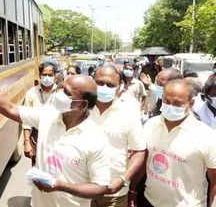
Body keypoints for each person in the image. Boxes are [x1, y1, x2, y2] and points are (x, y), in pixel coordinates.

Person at [0, 66, 111, 207]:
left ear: (82, 104)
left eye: (66, 92)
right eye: (61, 87)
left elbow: (100, 187)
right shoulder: (48, 114)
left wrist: (60, 186)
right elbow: (11, 109)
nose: (59, 93)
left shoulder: (95, 139)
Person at [139, 79, 216, 207]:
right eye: (167, 101)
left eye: (177, 103)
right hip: (149, 201)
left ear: (190, 104)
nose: (170, 106)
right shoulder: (150, 125)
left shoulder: (206, 135)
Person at [90, 66, 146, 207]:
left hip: (113, 193)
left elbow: (139, 151)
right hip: (80, 188)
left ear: (119, 87)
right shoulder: (81, 109)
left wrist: (123, 179)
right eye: (100, 83)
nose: (104, 87)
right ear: (92, 82)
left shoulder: (128, 113)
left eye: (110, 85)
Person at [23, 62, 57, 165]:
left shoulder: (61, 93)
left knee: (55, 169)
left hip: (56, 135)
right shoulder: (31, 94)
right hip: (37, 136)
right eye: (44, 74)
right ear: (39, 75)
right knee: (37, 168)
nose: (47, 77)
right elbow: (26, 121)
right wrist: (27, 143)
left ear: (54, 76)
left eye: (50, 75)